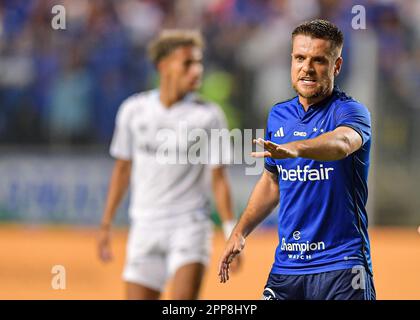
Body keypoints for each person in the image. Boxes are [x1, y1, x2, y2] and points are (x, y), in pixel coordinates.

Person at [218, 19, 376, 300]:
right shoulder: (278, 115)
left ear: (336, 66)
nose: (307, 68)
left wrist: (297, 149)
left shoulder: (351, 112)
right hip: (287, 268)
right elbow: (271, 181)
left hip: (342, 265)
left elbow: (341, 144)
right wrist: (240, 231)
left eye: (319, 60)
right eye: (300, 58)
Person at [97, 29, 239, 300]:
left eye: (199, 62)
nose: (197, 70)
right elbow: (122, 169)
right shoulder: (133, 110)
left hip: (189, 226)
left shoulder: (208, 116)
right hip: (144, 228)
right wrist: (106, 224)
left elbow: (219, 178)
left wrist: (230, 230)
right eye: (188, 63)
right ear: (163, 66)